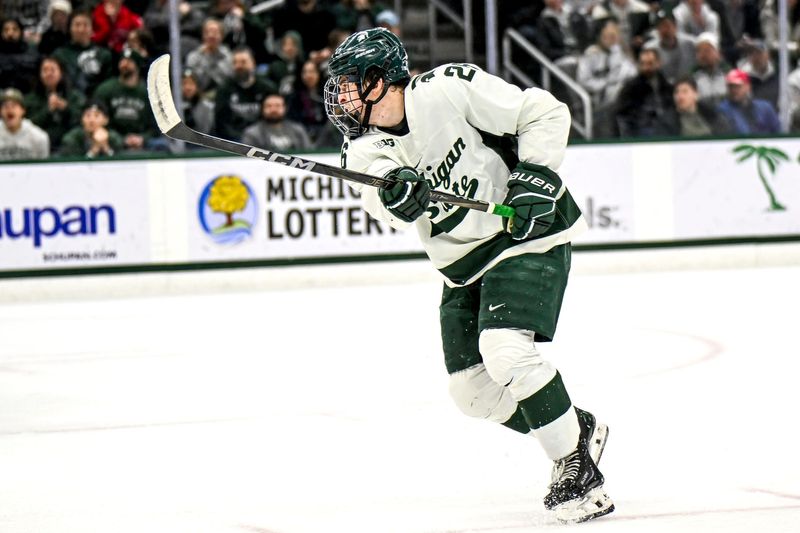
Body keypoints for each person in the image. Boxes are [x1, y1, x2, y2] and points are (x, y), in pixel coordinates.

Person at [323, 28, 614, 524]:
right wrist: (398, 195)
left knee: (506, 350)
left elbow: (543, 112)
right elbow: (383, 202)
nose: (341, 97)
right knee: (472, 392)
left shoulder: (447, 88)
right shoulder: (363, 151)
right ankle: (571, 427)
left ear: (380, 80)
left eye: (350, 83)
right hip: (464, 267)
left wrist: (536, 175)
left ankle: (575, 467)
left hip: (525, 236)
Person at [92, 48, 158, 151]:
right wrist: (120, 139)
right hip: (112, 140)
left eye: (129, 61)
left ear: (137, 65)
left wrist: (143, 138)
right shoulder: (105, 89)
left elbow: (155, 125)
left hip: (143, 142)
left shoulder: (148, 92)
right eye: (122, 60)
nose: (124, 64)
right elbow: (98, 119)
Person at [214, 46, 278, 141]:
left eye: (243, 62)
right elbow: (221, 122)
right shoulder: (224, 89)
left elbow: (274, 118)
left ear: (253, 64)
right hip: (233, 141)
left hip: (263, 140)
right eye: (235, 63)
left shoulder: (267, 88)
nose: (239, 66)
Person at [23, 55, 84, 152]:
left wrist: (65, 108)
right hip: (38, 146)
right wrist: (48, 111)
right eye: (45, 70)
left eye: (53, 70)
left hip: (70, 146)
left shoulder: (74, 96)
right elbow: (26, 126)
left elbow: (82, 121)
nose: (49, 74)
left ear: (61, 72)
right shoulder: (30, 99)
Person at [614, 48, 675, 137]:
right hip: (641, 133)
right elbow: (623, 115)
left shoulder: (667, 87)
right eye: (643, 64)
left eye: (650, 63)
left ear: (658, 63)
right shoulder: (630, 89)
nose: (646, 68)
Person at [52, 11, 113, 96]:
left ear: (92, 29)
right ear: (70, 29)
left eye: (85, 25)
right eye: (77, 25)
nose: (81, 30)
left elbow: (107, 86)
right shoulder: (59, 55)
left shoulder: (103, 55)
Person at [656, 76, 731, 136]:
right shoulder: (666, 122)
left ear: (696, 95)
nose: (680, 96)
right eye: (676, 92)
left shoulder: (712, 116)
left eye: (685, 92)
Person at [717, 68, 781, 134]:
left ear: (748, 86)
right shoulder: (722, 110)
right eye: (730, 87)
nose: (733, 90)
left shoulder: (765, 108)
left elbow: (778, 132)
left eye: (737, 86)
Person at [242, 93, 311, 151]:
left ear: (285, 108)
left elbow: (310, 154)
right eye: (269, 106)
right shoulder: (252, 133)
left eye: (278, 106)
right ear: (262, 109)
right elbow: (246, 159)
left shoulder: (298, 129)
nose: (273, 109)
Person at [643, 10, 697, 84]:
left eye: (667, 25)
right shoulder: (649, 48)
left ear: (675, 27)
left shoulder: (691, 43)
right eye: (660, 27)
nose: (664, 30)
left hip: (689, 85)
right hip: (662, 88)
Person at [185, 18, 233, 95]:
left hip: (224, 95)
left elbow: (229, 80)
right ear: (203, 35)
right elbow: (191, 81)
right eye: (207, 32)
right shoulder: (193, 57)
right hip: (200, 96)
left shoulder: (229, 56)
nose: (211, 35)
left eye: (215, 32)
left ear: (222, 36)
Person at [0, 87, 50, 160]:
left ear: (23, 110)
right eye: (5, 106)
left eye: (14, 105)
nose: (9, 109)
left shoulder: (39, 137)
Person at [692, 32, 729, 105]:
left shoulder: (729, 74)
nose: (703, 55)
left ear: (718, 53)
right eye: (699, 51)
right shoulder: (692, 77)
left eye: (707, 50)